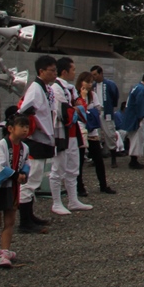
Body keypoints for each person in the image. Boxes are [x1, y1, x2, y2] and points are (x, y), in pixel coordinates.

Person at [17, 55, 57, 233]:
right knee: (30, 180)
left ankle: (30, 215)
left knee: (36, 178)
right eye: (52, 70)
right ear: (41, 71)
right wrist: (31, 127)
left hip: (44, 137)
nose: (55, 74)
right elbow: (24, 109)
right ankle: (24, 222)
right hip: (35, 139)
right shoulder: (35, 89)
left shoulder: (45, 88)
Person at [0, 115, 30, 268]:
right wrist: (17, 175)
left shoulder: (24, 147)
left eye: (27, 127)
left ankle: (4, 251)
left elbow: (26, 163)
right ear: (10, 128)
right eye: (21, 126)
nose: (25, 130)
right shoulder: (0, 146)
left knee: (10, 220)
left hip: (13, 187)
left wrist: (24, 173)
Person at [49, 57, 92, 215]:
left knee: (73, 167)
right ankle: (56, 202)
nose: (75, 72)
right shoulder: (56, 88)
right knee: (58, 167)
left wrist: (77, 107)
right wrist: (77, 108)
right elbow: (65, 110)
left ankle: (73, 200)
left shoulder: (70, 88)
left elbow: (79, 106)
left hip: (73, 132)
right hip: (61, 131)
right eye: (73, 70)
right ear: (65, 71)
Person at [75, 71, 115, 195]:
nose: (90, 84)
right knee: (79, 159)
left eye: (91, 82)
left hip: (91, 129)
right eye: (87, 82)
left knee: (98, 158)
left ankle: (103, 185)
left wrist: (88, 110)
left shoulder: (93, 95)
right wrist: (82, 98)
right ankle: (79, 187)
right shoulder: (75, 95)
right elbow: (80, 110)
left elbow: (98, 109)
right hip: (80, 128)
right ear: (81, 82)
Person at [118, 71, 144, 169]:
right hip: (136, 117)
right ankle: (133, 161)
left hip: (130, 116)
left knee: (135, 138)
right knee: (137, 139)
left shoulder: (136, 87)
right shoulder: (141, 89)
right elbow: (140, 104)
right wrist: (141, 116)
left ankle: (134, 159)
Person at [91, 65, 120, 168]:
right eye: (92, 75)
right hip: (96, 112)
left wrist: (111, 106)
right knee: (95, 135)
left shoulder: (109, 84)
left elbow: (115, 95)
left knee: (110, 133)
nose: (94, 77)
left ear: (101, 73)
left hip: (106, 110)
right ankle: (96, 158)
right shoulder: (93, 86)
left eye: (95, 74)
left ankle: (113, 157)